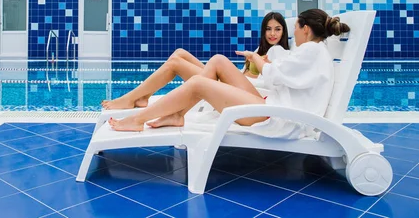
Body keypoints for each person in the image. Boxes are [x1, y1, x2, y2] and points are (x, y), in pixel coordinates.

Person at [109, 9, 350, 140]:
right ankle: (176, 113)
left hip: (279, 118)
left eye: (295, 28)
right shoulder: (315, 52)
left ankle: (137, 120)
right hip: (273, 107)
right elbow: (281, 73)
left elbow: (275, 74)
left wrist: (258, 58)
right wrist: (262, 58)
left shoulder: (311, 51)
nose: (293, 34)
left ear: (305, 30)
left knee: (197, 84)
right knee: (218, 61)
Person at [101, 12, 289, 110]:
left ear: (284, 32)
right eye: (269, 29)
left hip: (237, 92)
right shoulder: (260, 50)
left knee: (175, 63)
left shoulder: (279, 54)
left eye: (278, 29)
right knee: (180, 53)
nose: (273, 34)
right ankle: (142, 96)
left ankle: (130, 98)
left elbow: (271, 82)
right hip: (229, 83)